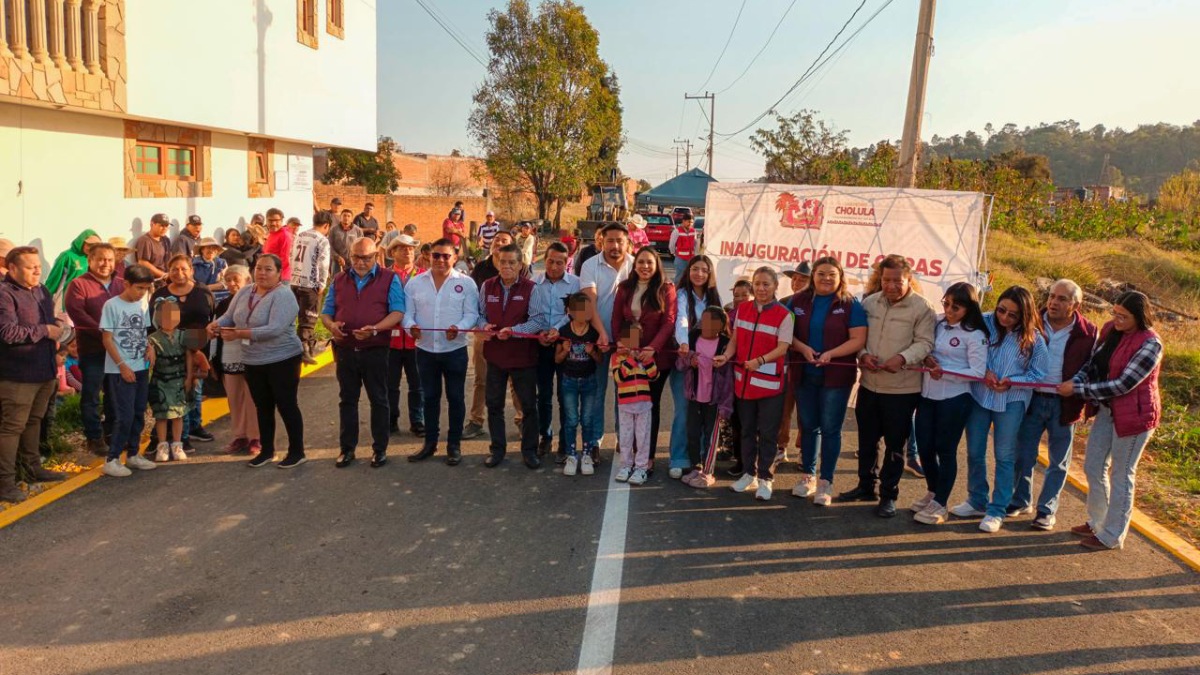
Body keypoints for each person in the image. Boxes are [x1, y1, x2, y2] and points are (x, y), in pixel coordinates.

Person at [1059, 291, 1163, 551]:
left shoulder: (1151, 344)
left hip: (1135, 416)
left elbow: (1123, 384)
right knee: (1093, 466)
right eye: (1115, 313)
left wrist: (1078, 390)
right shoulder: (1110, 330)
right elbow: (1092, 365)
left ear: (1139, 317)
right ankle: (1098, 521)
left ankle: (1112, 535)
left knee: (1122, 474)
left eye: (1123, 316)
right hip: (1107, 410)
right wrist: (1077, 380)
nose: (1117, 319)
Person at [836, 255, 936, 517]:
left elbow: (925, 343)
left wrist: (902, 358)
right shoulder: (870, 303)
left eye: (897, 281)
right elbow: (858, 337)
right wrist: (863, 355)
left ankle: (888, 495)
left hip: (902, 390)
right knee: (867, 440)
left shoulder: (922, 307)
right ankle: (865, 486)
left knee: (895, 446)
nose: (891, 286)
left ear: (908, 279)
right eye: (886, 280)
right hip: (870, 385)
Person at [950, 286, 1049, 533]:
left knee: (1004, 455)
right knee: (974, 451)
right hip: (979, 395)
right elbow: (965, 351)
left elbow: (1039, 374)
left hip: (1012, 400)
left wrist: (1012, 381)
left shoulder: (1034, 339)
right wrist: (983, 372)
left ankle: (997, 510)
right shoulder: (982, 322)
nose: (1004, 317)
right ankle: (977, 500)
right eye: (1001, 310)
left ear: (1024, 315)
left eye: (1012, 315)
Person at [1011, 279, 1098, 531]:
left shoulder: (1089, 332)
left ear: (1075, 305)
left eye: (1062, 299)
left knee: (1058, 461)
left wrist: (1075, 383)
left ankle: (1046, 510)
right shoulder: (1031, 322)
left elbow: (1091, 365)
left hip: (1065, 403)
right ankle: (1020, 500)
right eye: (1051, 296)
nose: (1053, 302)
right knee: (1023, 455)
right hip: (1032, 399)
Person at [210, 254, 307, 469]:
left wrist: (239, 334)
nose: (262, 273)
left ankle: (297, 451)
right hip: (253, 360)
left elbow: (274, 329)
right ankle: (267, 451)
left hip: (282, 358)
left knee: (286, 405)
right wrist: (215, 325)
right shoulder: (246, 291)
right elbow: (229, 316)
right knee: (262, 406)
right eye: (259, 268)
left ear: (279, 273)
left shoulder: (284, 295)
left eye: (268, 269)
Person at [788, 257, 867, 506]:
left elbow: (858, 339)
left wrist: (832, 353)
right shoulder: (797, 301)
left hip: (836, 377)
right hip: (804, 373)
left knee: (831, 428)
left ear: (840, 277)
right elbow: (785, 333)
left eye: (832, 274)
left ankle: (826, 481)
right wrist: (802, 348)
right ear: (813, 276)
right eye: (821, 273)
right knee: (808, 425)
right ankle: (808, 475)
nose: (826, 278)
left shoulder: (850, 304)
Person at [321, 238, 406, 469]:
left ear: (376, 256)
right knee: (347, 400)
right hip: (346, 349)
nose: (360, 262)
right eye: (356, 257)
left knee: (379, 399)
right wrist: (331, 326)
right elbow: (326, 312)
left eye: (366, 258)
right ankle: (347, 449)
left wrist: (375, 329)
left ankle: (380, 449)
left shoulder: (389, 278)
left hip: (375, 350)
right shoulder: (339, 279)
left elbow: (398, 311)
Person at [911, 282, 989, 525]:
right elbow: (923, 346)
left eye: (956, 307)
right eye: (946, 304)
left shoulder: (975, 335)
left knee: (945, 450)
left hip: (954, 398)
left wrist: (944, 372)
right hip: (928, 395)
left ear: (969, 308)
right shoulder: (936, 322)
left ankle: (941, 503)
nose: (949, 310)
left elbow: (977, 372)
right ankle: (933, 491)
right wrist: (926, 358)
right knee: (924, 448)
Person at [0, 247, 70, 500]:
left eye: (38, 266)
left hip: (45, 369)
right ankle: (5, 483)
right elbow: (8, 333)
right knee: (12, 428)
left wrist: (57, 328)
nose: (37, 271)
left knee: (34, 421)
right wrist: (45, 330)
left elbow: (48, 323)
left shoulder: (41, 290)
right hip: (17, 375)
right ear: (13, 268)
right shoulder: (5, 294)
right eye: (31, 267)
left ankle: (32, 468)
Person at [403, 239, 480, 465]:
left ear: (455, 258)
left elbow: (472, 314)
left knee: (455, 398)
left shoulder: (466, 283)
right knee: (429, 397)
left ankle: (454, 445)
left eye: (446, 256)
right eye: (436, 255)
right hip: (425, 350)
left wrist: (459, 328)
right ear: (429, 256)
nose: (441, 260)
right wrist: (411, 327)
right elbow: (407, 314)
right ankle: (430, 443)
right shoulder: (415, 284)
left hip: (454, 350)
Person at [725, 267, 793, 501]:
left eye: (766, 284)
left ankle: (766, 478)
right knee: (746, 431)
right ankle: (749, 474)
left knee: (767, 434)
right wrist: (725, 356)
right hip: (744, 383)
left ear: (775, 287)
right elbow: (734, 340)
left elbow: (783, 348)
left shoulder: (784, 314)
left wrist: (760, 361)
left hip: (769, 385)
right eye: (757, 284)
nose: (761, 288)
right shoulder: (742, 309)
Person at [477, 243, 543, 469]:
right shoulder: (487, 286)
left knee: (528, 406)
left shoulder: (531, 288)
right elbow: (479, 315)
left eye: (511, 263)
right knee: (494, 404)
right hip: (495, 356)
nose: (506, 266)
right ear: (496, 262)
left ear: (520, 264)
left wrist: (515, 331)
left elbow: (537, 320)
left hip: (522, 357)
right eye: (502, 261)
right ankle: (497, 450)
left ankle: (530, 450)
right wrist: (484, 326)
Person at [611, 246, 677, 471]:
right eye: (641, 262)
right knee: (628, 405)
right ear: (634, 264)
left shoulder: (666, 288)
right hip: (627, 356)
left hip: (655, 358)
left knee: (650, 408)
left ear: (657, 264)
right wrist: (620, 342)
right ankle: (629, 454)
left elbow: (669, 322)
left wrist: (653, 348)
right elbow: (616, 319)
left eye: (649, 262)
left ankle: (647, 457)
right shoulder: (625, 287)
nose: (645, 266)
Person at [465, 229, 528, 440]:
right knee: (481, 379)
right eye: (497, 240)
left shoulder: (522, 269)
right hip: (486, 335)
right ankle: (476, 420)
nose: (500, 243)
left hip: (514, 337)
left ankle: (521, 420)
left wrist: (516, 330)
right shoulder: (481, 269)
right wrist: (481, 326)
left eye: (505, 241)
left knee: (515, 382)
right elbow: (474, 302)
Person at [98, 263, 158, 478]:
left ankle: (133, 454)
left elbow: (142, 332)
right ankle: (112, 458)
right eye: (139, 288)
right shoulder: (111, 305)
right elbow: (107, 339)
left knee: (139, 412)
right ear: (126, 284)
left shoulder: (142, 304)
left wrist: (149, 346)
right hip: (120, 370)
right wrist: (122, 365)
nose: (142, 292)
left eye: (146, 289)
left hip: (140, 366)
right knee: (124, 415)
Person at [65, 242, 125, 455]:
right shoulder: (78, 285)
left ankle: (111, 434)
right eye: (100, 259)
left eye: (109, 259)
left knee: (114, 394)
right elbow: (78, 314)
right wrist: (105, 334)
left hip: (117, 351)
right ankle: (94, 437)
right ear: (90, 260)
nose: (105, 264)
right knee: (91, 395)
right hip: (93, 350)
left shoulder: (121, 284)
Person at [579, 223, 634, 453]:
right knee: (596, 392)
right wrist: (601, 332)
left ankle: (625, 439)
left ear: (627, 242)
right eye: (610, 240)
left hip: (627, 340)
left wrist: (629, 340)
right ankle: (594, 442)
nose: (615, 246)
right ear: (601, 241)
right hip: (598, 338)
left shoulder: (636, 265)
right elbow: (589, 301)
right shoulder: (590, 265)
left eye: (620, 241)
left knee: (625, 392)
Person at [151, 255, 216, 447]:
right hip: (171, 350)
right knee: (176, 392)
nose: (179, 273)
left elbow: (211, 316)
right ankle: (177, 435)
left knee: (195, 388)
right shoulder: (160, 294)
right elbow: (153, 323)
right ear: (168, 272)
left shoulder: (203, 291)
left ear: (191, 271)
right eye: (174, 269)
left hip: (197, 346)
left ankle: (194, 426)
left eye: (183, 269)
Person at [669, 254, 723, 478]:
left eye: (704, 270)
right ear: (688, 271)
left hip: (708, 367)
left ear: (710, 274)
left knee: (705, 413)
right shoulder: (681, 294)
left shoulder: (715, 298)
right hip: (685, 362)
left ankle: (700, 458)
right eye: (694, 269)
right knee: (683, 411)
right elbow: (681, 319)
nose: (699, 274)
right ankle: (678, 458)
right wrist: (684, 343)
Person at [676, 307, 734, 488]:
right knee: (692, 432)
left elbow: (729, 378)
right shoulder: (692, 338)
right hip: (694, 396)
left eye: (711, 321)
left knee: (711, 436)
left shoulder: (725, 344)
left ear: (721, 325)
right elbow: (679, 365)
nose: (706, 325)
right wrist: (689, 360)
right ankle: (696, 467)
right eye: (704, 320)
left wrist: (726, 406)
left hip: (715, 400)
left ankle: (708, 472)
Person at [213, 265, 260, 456]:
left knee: (253, 398)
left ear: (248, 281)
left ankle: (256, 437)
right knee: (234, 399)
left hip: (252, 356)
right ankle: (240, 436)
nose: (232, 284)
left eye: (236, 279)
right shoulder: (223, 304)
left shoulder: (257, 301)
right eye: (228, 280)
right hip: (229, 357)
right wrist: (213, 360)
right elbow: (215, 333)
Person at [556, 292, 601, 476]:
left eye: (587, 310)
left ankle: (587, 454)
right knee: (571, 420)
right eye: (580, 310)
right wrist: (565, 351)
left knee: (587, 420)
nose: (584, 314)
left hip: (589, 381)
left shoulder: (594, 332)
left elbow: (600, 359)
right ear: (570, 311)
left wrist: (592, 352)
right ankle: (571, 455)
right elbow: (557, 359)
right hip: (569, 381)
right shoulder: (564, 331)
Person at [385, 235, 426, 436]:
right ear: (392, 253)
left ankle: (418, 420)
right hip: (390, 341)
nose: (408, 251)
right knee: (390, 385)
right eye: (402, 248)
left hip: (416, 341)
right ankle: (391, 419)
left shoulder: (424, 276)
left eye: (410, 248)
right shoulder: (384, 276)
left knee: (417, 385)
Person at [611, 324, 658, 486]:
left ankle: (641, 468)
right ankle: (625, 465)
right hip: (625, 404)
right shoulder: (616, 357)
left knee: (643, 438)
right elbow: (618, 378)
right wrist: (631, 360)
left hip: (644, 404)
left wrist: (646, 360)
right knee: (625, 438)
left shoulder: (645, 355)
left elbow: (654, 375)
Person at [147, 300, 193, 463]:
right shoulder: (152, 339)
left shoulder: (184, 335)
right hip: (160, 380)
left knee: (178, 414)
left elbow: (189, 355)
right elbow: (150, 363)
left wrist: (189, 377)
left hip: (179, 379)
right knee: (162, 415)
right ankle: (162, 446)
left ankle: (177, 445)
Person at [776, 261, 812, 464]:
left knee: (806, 410)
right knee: (783, 407)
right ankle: (781, 446)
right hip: (787, 361)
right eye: (795, 279)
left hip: (809, 362)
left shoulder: (817, 304)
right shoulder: (784, 302)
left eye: (802, 279)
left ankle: (804, 449)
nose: (797, 283)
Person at [291, 210, 333, 364]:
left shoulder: (300, 235)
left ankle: (301, 347)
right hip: (310, 283)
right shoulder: (322, 240)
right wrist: (322, 283)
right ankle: (303, 350)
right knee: (309, 317)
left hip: (295, 281)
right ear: (326, 225)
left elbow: (291, 256)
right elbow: (323, 263)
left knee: (296, 317)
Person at [45, 229, 101, 301]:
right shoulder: (67, 256)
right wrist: (44, 297)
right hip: (70, 299)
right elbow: (54, 278)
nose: (91, 248)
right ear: (81, 242)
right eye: (89, 245)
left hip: (88, 299)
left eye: (95, 246)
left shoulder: (94, 258)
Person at [135, 213, 173, 283]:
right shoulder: (145, 240)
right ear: (152, 224)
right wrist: (164, 275)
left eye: (166, 226)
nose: (164, 228)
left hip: (167, 280)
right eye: (161, 225)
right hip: (152, 281)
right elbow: (143, 263)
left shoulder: (166, 240)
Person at [262, 208, 294, 283]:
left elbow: (285, 260)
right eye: (270, 220)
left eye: (276, 220)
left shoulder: (285, 235)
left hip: (280, 278)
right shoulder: (271, 234)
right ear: (266, 221)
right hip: (270, 275)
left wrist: (275, 276)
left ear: (282, 221)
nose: (273, 223)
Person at [329, 208, 362, 276]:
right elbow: (329, 246)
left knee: (353, 280)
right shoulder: (334, 230)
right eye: (344, 215)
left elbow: (361, 246)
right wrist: (337, 257)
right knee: (336, 279)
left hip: (353, 261)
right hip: (337, 261)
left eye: (348, 216)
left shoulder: (358, 230)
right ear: (340, 217)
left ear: (352, 219)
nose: (346, 218)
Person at [668, 213, 699, 282]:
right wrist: (673, 253)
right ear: (683, 221)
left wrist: (695, 254)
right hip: (680, 259)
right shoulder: (677, 231)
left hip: (691, 258)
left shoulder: (693, 231)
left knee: (690, 278)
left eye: (692, 222)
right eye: (689, 222)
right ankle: (677, 289)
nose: (690, 224)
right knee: (679, 278)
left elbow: (695, 244)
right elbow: (672, 244)